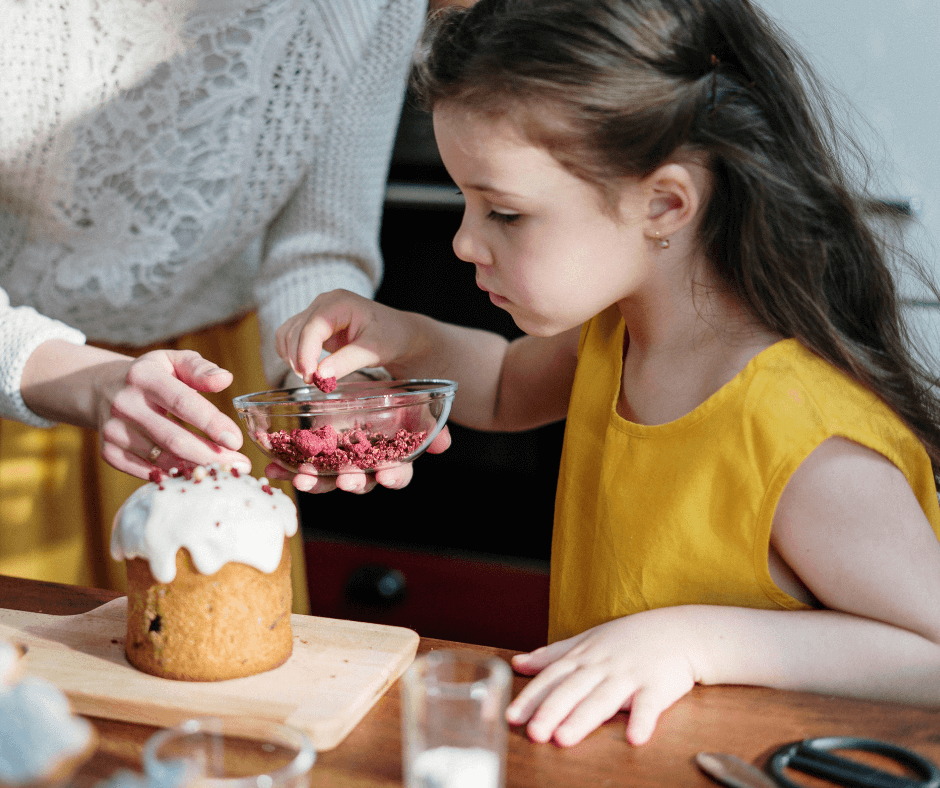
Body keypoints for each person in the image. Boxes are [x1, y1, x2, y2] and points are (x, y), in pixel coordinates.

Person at [274, 0, 940, 746]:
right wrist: (400, 336)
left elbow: (932, 657)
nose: (464, 241)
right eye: (467, 203)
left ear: (663, 202)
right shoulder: (615, 335)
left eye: (505, 212)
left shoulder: (802, 437)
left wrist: (694, 644)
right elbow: (498, 387)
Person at [0, 0, 431, 609]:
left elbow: (319, 240)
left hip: (207, 387)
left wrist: (327, 378)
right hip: (22, 377)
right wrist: (83, 379)